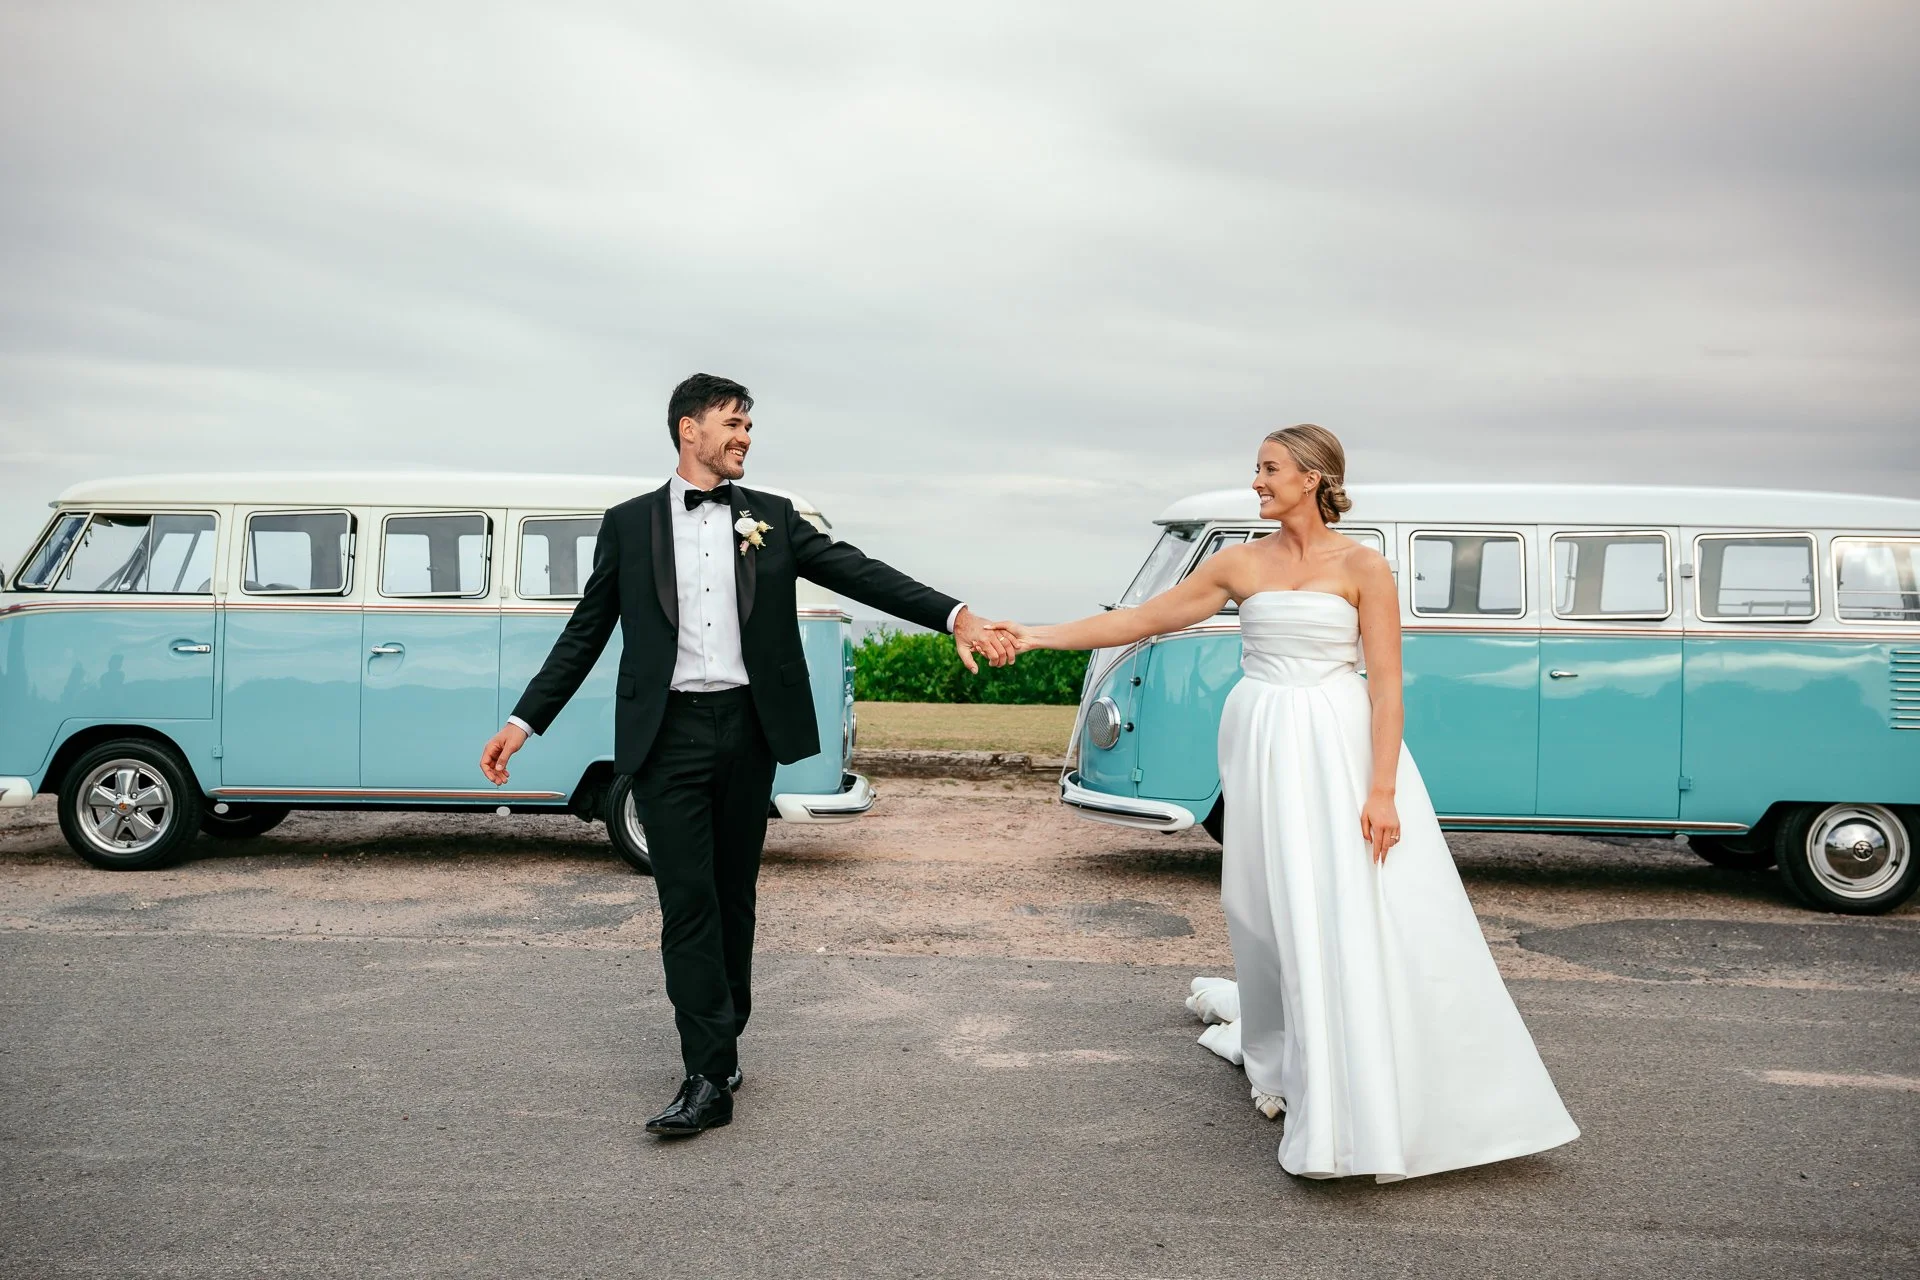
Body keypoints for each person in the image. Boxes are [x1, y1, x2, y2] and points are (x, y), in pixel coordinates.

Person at [992, 425, 1578, 1181]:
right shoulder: (1238, 562)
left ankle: (1360, 1075)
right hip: (1262, 738)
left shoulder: (1364, 567)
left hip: (1337, 744)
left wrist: (1382, 790)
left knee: (1347, 899)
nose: (1258, 482)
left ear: (1312, 478)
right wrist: (1033, 636)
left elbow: (1387, 685)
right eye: (1257, 469)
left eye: (1269, 469)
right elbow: (1141, 620)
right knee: (1262, 901)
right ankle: (1283, 1051)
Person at [479, 373, 1016, 1138]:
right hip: (665, 738)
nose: (746, 437)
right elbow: (586, 631)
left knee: (733, 897)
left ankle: (723, 1037)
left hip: (748, 730)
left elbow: (861, 573)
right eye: (733, 423)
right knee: (686, 902)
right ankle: (706, 1074)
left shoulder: (772, 517)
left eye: (750, 426)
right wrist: (524, 721)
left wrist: (955, 615)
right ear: (688, 429)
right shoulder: (629, 525)